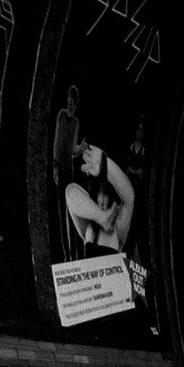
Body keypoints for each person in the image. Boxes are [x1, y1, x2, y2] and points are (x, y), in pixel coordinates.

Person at [56, 94, 135, 257]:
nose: (101, 201)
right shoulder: (88, 227)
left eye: (105, 198)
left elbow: (129, 197)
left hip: (112, 271)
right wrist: (101, 217)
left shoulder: (118, 227)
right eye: (98, 198)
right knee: (71, 190)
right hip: (89, 271)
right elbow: (71, 193)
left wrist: (105, 164)